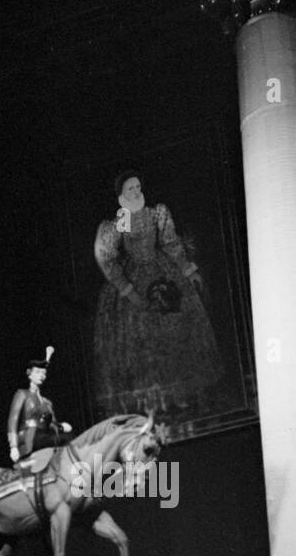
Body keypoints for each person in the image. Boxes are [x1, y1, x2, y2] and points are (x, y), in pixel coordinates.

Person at [91, 171, 224, 418]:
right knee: (142, 340)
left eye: (138, 187)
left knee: (173, 333)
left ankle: (179, 397)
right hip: (134, 278)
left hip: (162, 270)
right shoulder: (123, 219)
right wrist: (127, 289)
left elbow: (171, 243)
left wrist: (188, 269)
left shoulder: (156, 213)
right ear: (121, 194)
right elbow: (106, 254)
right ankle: (153, 403)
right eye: (130, 189)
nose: (135, 192)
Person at [7, 347, 72, 472]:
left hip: (44, 435)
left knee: (69, 437)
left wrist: (61, 426)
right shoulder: (22, 394)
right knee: (65, 439)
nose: (41, 376)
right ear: (29, 374)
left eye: (44, 374)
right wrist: (13, 446)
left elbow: (52, 424)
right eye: (37, 372)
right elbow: (12, 420)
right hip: (30, 436)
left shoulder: (47, 402)